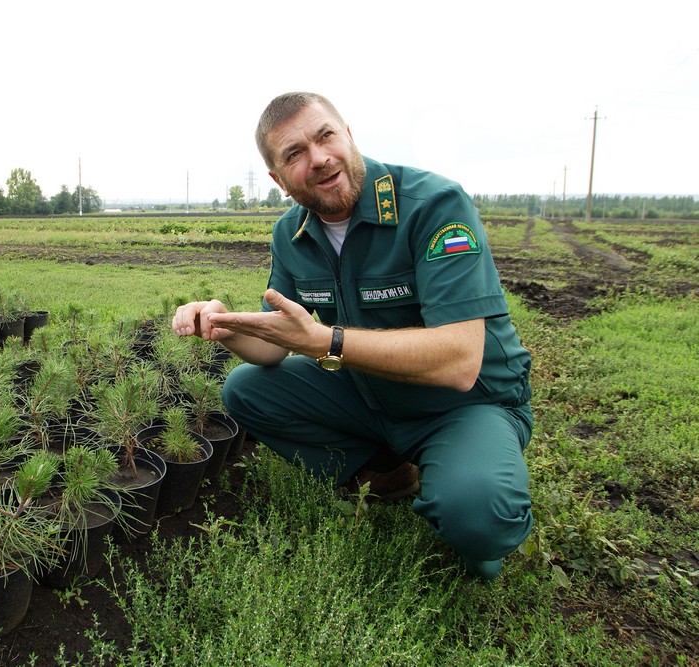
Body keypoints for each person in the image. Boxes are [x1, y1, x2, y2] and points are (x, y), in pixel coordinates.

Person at [172, 92, 533, 580]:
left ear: (349, 136)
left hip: (464, 404)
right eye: (294, 154)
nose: (318, 159)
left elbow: (460, 360)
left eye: (325, 136)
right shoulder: (292, 234)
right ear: (278, 180)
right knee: (245, 389)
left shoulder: (433, 206)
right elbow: (276, 344)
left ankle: (472, 506)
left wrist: (327, 342)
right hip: (369, 393)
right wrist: (224, 325)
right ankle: (385, 471)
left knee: (478, 514)